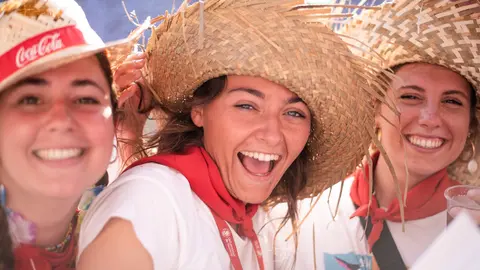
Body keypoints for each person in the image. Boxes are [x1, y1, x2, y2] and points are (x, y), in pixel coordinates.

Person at [75, 0, 393, 269]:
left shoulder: (251, 220)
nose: (272, 135)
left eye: (294, 113)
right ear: (199, 110)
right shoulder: (150, 201)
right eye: (246, 105)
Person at [270, 1, 480, 269]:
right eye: (411, 97)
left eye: (452, 102)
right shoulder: (296, 218)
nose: (430, 119)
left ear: (471, 122)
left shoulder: (473, 228)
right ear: (375, 108)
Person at [0, 0, 148, 268]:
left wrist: (129, 136)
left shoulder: (107, 219)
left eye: (85, 99)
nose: (61, 119)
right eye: (30, 99)